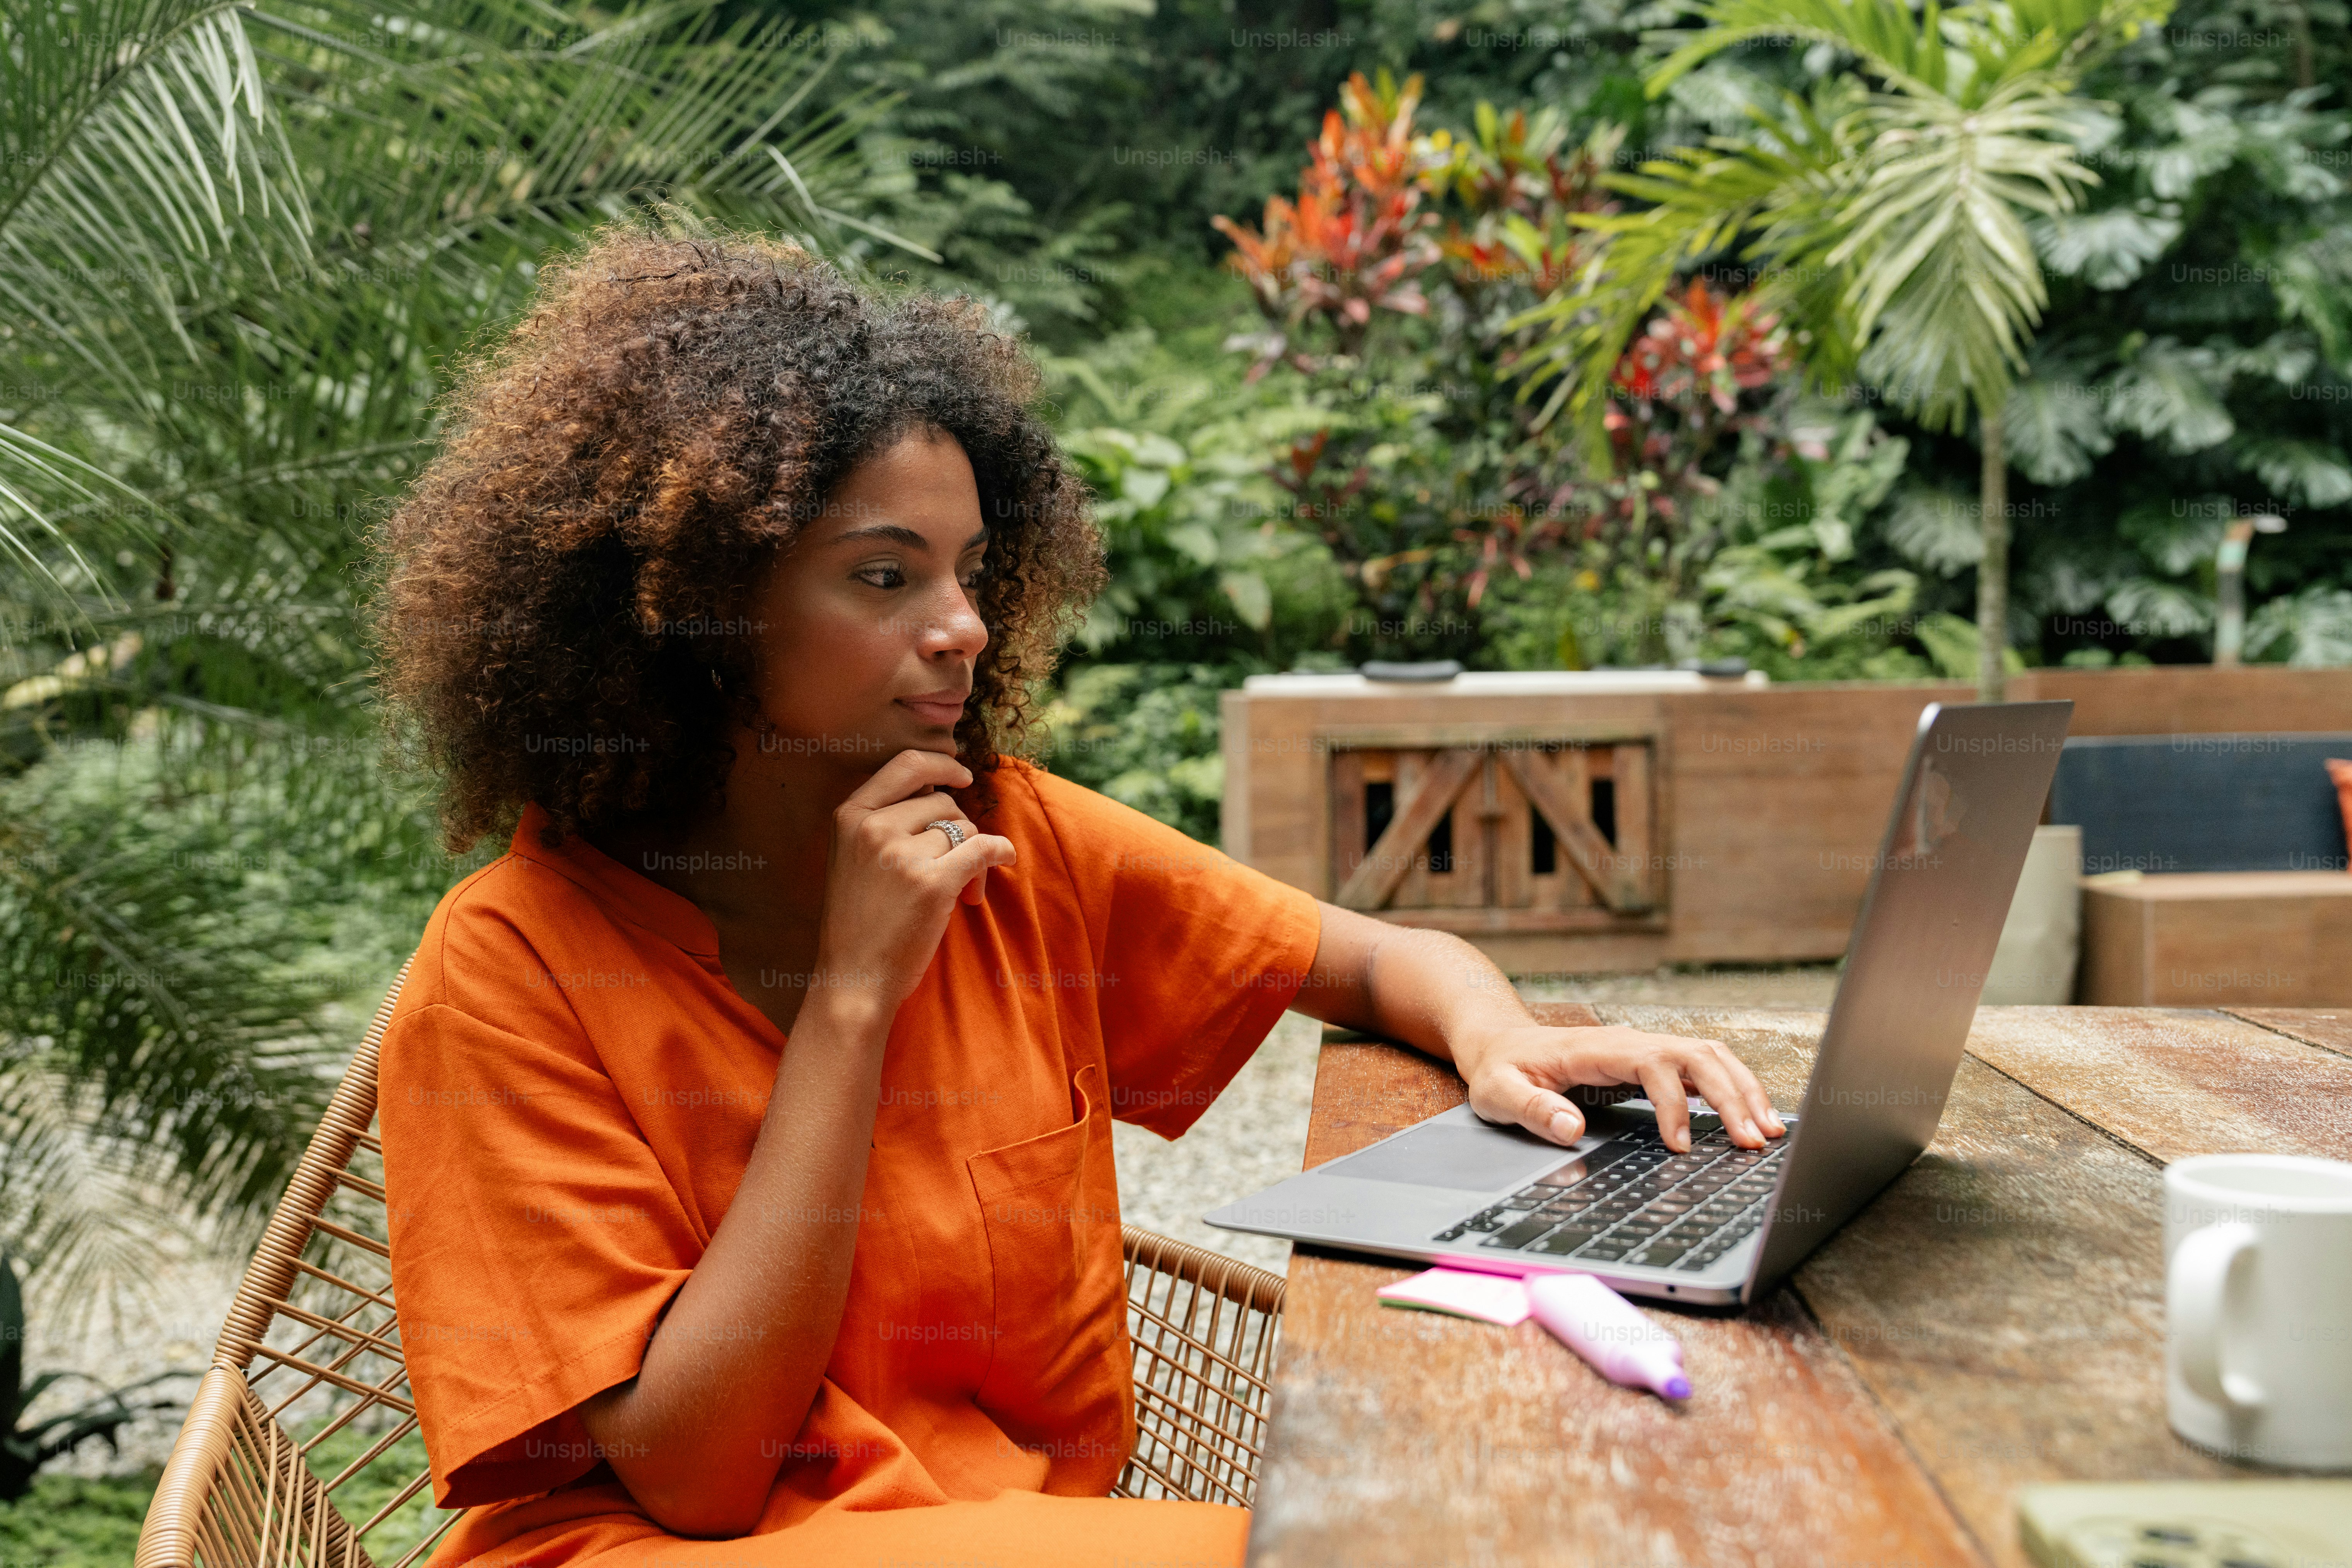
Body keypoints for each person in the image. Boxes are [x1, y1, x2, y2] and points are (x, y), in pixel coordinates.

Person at [368, 228, 1784, 1568]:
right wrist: (856, 999)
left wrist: (1498, 1035)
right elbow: (696, 1477)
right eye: (884, 575)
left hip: (1006, 1530)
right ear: (691, 612)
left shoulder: (1009, 844)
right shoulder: (511, 972)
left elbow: (1377, 961)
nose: (965, 627)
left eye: (974, 572)